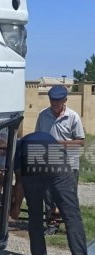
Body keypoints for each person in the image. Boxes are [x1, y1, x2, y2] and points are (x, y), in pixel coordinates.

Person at [11, 131, 92, 255]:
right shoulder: (46, 138)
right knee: (72, 218)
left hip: (31, 158)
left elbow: (20, 183)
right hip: (56, 157)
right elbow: (51, 179)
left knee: (35, 220)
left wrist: (16, 207)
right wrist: (56, 205)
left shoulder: (18, 146)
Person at [35, 85, 85, 233]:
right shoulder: (43, 115)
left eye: (58, 100)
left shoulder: (73, 117)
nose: (54, 103)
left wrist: (59, 143)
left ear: (65, 100)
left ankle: (71, 225)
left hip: (69, 162)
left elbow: (81, 141)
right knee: (48, 193)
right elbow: (37, 136)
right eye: (52, 100)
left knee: (68, 195)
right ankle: (52, 225)